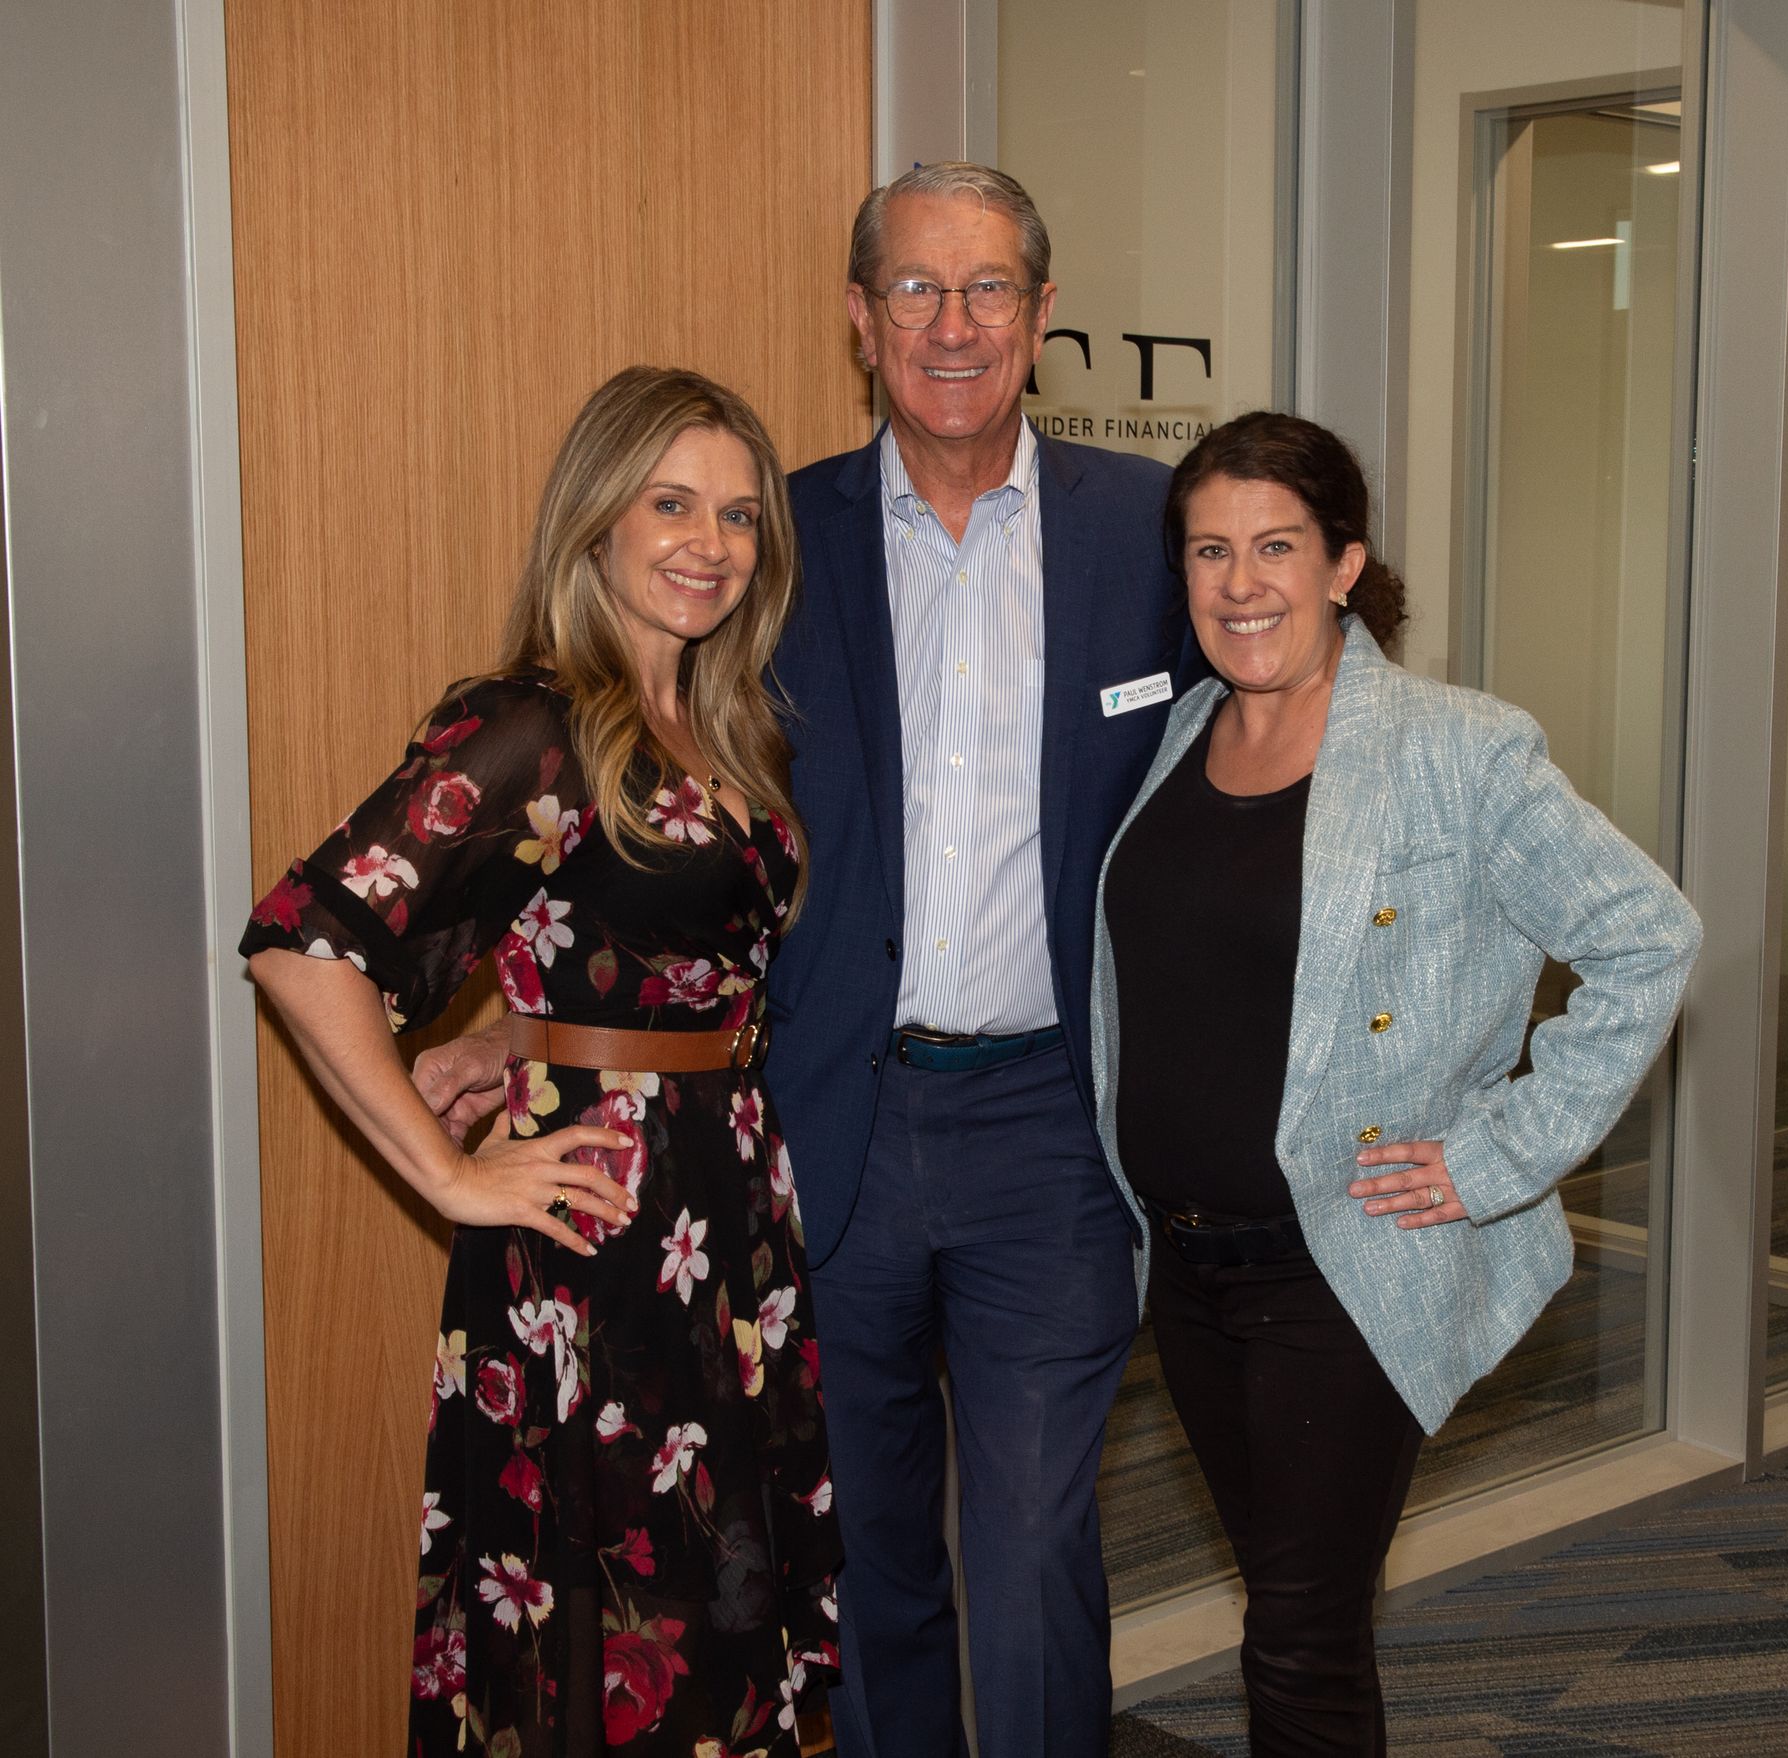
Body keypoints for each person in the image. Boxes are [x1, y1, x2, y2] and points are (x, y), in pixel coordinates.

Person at [415, 164, 1189, 1758]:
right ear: (859, 316)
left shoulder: (1147, 532)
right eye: (914, 288)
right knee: (860, 1555)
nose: (952, 325)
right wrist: (531, 1016)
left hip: (1051, 1128)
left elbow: (1282, 712)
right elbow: (655, 796)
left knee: (1035, 1546)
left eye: (988, 288)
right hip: (823, 1124)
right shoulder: (768, 545)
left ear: (1044, 312)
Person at [241, 367, 841, 1757]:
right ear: (596, 521)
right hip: (606, 1226)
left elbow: (632, 947)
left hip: (725, 1209)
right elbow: (303, 944)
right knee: (621, 1607)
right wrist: (453, 1178)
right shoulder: (537, 721)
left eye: (739, 515)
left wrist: (513, 1033)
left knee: (707, 1601)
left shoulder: (721, 720)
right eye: (671, 505)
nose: (710, 543)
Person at [1091, 410, 1702, 1757]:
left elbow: (1648, 937)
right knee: (1296, 1609)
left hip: (1344, 1263)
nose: (1241, 583)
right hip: (1186, 1270)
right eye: (1209, 550)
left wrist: (1494, 1158)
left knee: (1296, 1637)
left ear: (1345, 564)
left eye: (1276, 546)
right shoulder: (1179, 732)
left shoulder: (1457, 750)